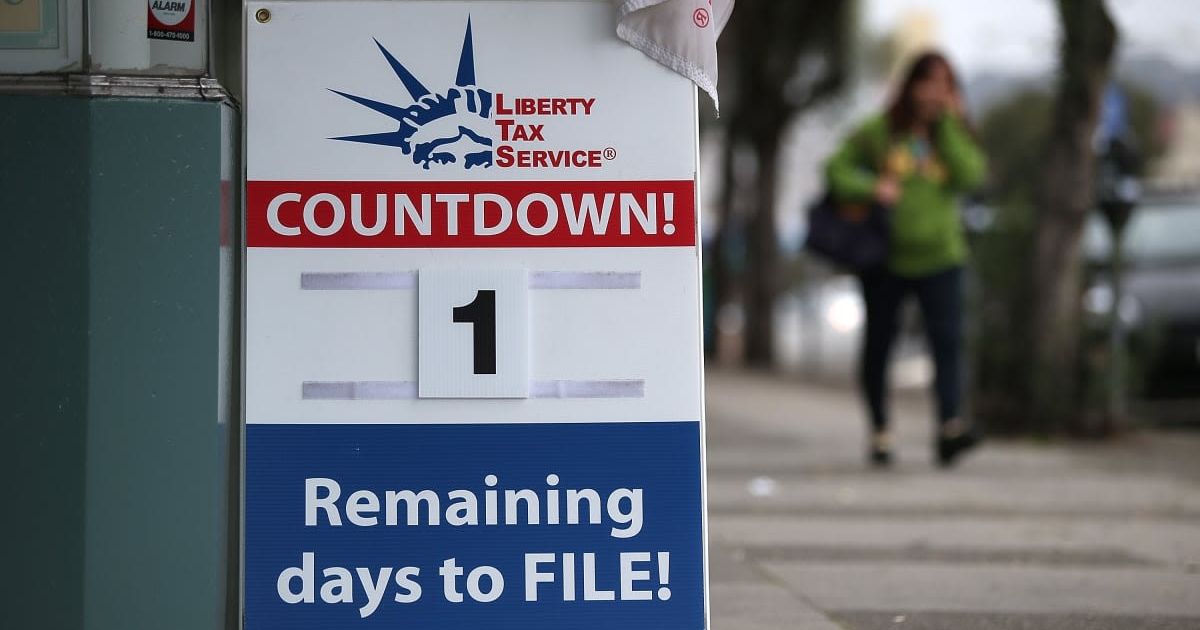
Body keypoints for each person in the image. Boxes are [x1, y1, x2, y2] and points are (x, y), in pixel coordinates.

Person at [825, 51, 987, 467]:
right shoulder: (880, 132)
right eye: (927, 82)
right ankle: (880, 431)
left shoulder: (953, 133)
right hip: (885, 259)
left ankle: (950, 427)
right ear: (910, 85)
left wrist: (949, 123)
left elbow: (971, 176)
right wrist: (872, 187)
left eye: (945, 84)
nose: (934, 93)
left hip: (942, 257)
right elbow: (835, 170)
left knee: (947, 345)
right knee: (879, 346)